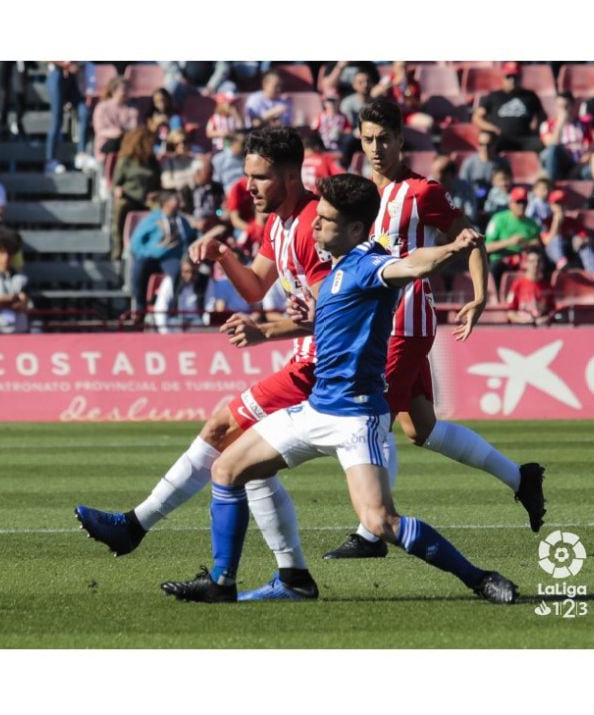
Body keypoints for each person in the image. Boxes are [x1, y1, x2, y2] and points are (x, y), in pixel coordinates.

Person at [160, 173, 517, 605]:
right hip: (315, 409)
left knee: (381, 522)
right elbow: (336, 319)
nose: (315, 225)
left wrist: (453, 249)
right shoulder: (337, 269)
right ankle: (224, 583)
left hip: (355, 418)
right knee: (226, 470)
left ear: (353, 229)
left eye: (326, 221)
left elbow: (413, 263)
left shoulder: (372, 264)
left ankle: (481, 579)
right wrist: (284, 322)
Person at [77, 126, 328, 600]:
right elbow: (255, 287)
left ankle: (136, 525)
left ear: (292, 176)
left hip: (321, 369)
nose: (248, 186)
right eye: (249, 175)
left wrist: (265, 332)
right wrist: (222, 254)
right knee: (250, 461)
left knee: (219, 428)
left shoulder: (316, 225)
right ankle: (294, 578)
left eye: (260, 177)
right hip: (307, 362)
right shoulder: (279, 223)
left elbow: (336, 315)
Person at [321, 99, 545, 561]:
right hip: (376, 324)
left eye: (385, 138)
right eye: (368, 139)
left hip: (406, 322)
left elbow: (470, 235)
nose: (377, 148)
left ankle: (369, 533)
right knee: (419, 428)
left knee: (371, 415)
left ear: (402, 140)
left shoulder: (422, 193)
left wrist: (481, 294)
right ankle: (521, 479)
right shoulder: (360, 194)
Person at [128, 191, 197, 314]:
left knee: (179, 271)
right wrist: (146, 252)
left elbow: (191, 237)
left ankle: (174, 307)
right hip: (150, 257)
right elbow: (136, 241)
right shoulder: (153, 219)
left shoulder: (181, 221)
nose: (177, 204)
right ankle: (140, 307)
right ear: (165, 203)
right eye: (174, 201)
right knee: (139, 268)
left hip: (171, 257)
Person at [472, 61, 546, 153]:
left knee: (541, 145)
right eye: (509, 77)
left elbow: (542, 116)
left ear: (520, 77)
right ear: (503, 78)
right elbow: (477, 118)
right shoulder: (494, 96)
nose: (512, 80)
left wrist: (536, 130)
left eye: (515, 77)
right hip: (501, 138)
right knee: (489, 145)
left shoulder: (530, 96)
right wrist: (492, 129)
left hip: (525, 138)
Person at [111, 127, 161, 260]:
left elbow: (158, 183)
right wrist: (117, 190)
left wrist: (155, 193)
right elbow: (116, 183)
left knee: (161, 212)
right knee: (121, 207)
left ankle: (156, 246)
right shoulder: (126, 161)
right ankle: (118, 247)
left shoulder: (152, 162)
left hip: (148, 200)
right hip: (130, 197)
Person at [484, 185, 543, 286]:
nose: (521, 206)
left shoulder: (532, 223)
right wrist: (510, 242)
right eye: (518, 202)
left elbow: (538, 244)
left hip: (524, 260)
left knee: (540, 263)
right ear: (510, 203)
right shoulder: (498, 219)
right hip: (502, 259)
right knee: (496, 267)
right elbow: (486, 247)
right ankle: (496, 297)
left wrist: (530, 244)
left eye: (524, 202)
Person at [44, 62, 92, 174]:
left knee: (84, 111)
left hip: (72, 78)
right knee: (57, 119)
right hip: (57, 75)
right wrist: (66, 65)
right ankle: (50, 160)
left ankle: (81, 154)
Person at [540, 92, 594, 181]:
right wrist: (560, 123)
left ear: (572, 106)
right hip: (561, 162)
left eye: (566, 106)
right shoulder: (547, 125)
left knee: (590, 171)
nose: (563, 109)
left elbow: (590, 148)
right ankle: (552, 186)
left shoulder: (583, 125)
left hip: (579, 163)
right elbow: (551, 145)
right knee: (552, 149)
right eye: (560, 106)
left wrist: (578, 167)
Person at [151, 255, 209, 333]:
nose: (190, 276)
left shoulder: (207, 281)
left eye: (194, 272)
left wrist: (207, 326)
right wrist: (164, 332)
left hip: (197, 322)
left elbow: (209, 306)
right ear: (181, 269)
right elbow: (161, 307)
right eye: (186, 272)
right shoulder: (171, 280)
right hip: (176, 321)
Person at [90, 77, 139, 167]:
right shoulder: (102, 108)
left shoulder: (132, 108)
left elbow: (134, 128)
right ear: (114, 91)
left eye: (128, 89)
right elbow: (100, 130)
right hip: (107, 145)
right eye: (124, 89)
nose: (126, 92)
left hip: (127, 144)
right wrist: (116, 132)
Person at [506, 248, 554, 326]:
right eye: (532, 261)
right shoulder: (517, 285)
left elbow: (552, 311)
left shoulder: (547, 287)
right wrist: (522, 321)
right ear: (526, 263)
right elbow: (510, 312)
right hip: (523, 328)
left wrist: (546, 319)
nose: (536, 264)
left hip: (542, 328)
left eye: (538, 261)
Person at [205, 88, 243, 153]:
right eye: (229, 104)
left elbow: (240, 127)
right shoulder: (215, 118)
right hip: (219, 148)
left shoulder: (233, 117)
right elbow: (208, 133)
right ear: (221, 105)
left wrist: (236, 115)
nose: (232, 106)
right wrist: (221, 133)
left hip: (232, 148)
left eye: (232, 104)